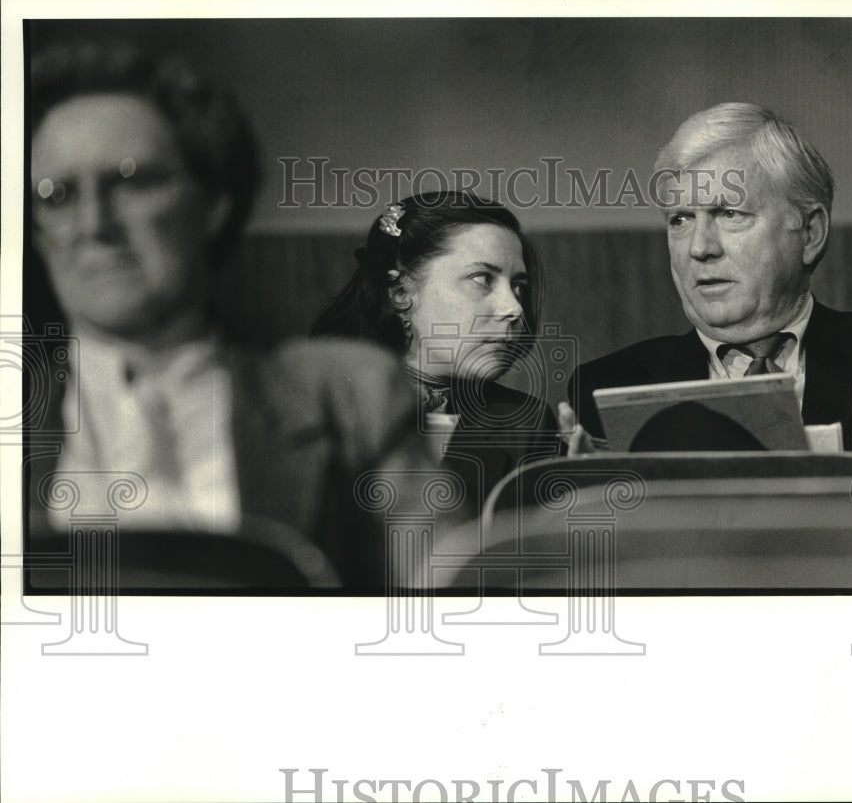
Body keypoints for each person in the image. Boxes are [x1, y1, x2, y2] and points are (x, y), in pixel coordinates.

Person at [25, 42, 439, 588]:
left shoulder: (348, 398)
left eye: (130, 181)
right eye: (57, 196)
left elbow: (445, 604)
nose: (93, 224)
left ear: (213, 202)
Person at [563, 102, 852, 474]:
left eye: (729, 213)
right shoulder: (607, 386)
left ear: (810, 233)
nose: (700, 248)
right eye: (680, 219)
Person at [312, 191, 563, 509]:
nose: (514, 309)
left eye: (519, 288)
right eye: (482, 278)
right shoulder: (321, 409)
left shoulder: (527, 422)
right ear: (401, 293)